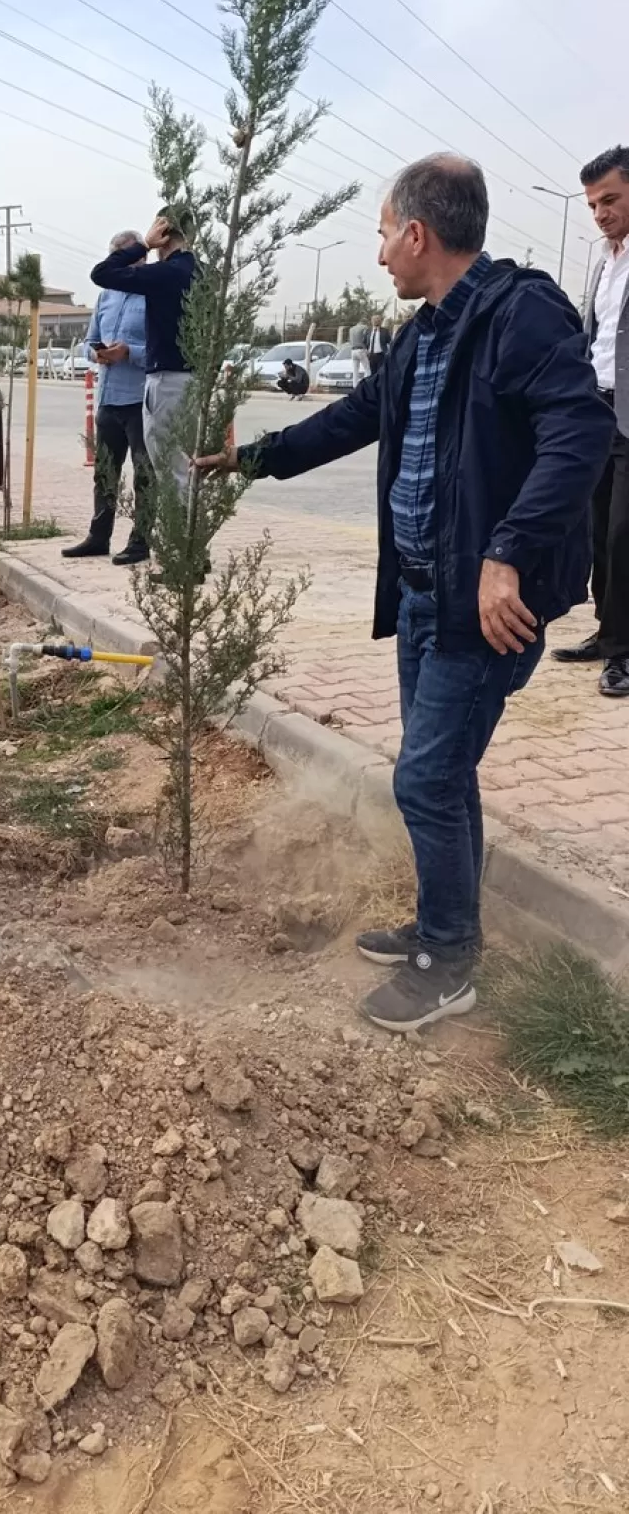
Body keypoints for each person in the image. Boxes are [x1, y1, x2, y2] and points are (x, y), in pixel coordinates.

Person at [196, 154, 613, 1034]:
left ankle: (450, 959)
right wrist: (253, 458)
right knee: (445, 772)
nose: (380, 254)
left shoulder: (521, 313)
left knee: (422, 777)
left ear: (418, 233)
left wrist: (507, 553)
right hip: (425, 595)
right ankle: (440, 925)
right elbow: (356, 419)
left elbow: (579, 433)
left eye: (384, 234)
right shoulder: (424, 333)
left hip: (486, 604)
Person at [551, 145, 629, 694]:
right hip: (597, 409)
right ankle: (608, 634)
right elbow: (600, 333)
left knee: (625, 533)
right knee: (598, 529)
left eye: (611, 200)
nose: (600, 213)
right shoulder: (605, 258)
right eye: (593, 204)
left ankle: (623, 653)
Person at [90, 210, 197, 494]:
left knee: (166, 472)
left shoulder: (163, 275)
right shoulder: (205, 274)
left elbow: (101, 273)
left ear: (162, 233)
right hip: (193, 381)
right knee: (184, 471)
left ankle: (166, 537)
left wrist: (145, 244)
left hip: (162, 384)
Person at [63, 229, 151, 566]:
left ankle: (140, 542)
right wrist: (96, 353)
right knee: (105, 473)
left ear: (140, 257)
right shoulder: (107, 295)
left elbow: (163, 349)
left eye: (125, 255)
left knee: (145, 473)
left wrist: (129, 352)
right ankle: (99, 537)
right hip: (108, 397)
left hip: (140, 400)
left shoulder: (154, 293)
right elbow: (89, 341)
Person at [348, 319, 368, 387]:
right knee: (367, 369)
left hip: (353, 350)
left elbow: (350, 340)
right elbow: (366, 338)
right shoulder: (364, 327)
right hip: (361, 349)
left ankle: (355, 386)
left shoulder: (351, 329)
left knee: (355, 370)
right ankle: (365, 385)